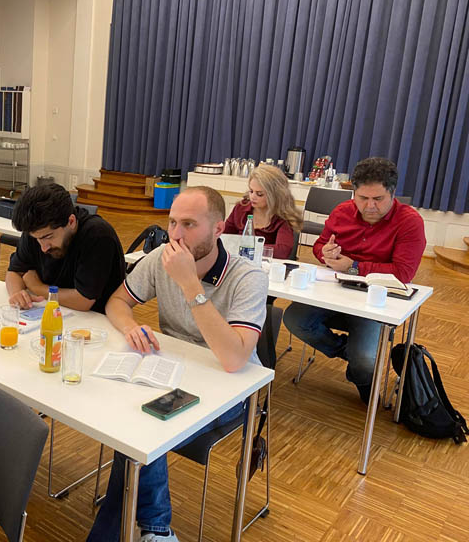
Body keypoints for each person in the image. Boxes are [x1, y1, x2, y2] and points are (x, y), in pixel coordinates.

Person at [87, 186, 269, 542]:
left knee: (141, 430)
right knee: (128, 422)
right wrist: (131, 326)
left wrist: (189, 284)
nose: (176, 234)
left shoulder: (248, 277)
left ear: (218, 229)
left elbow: (233, 359)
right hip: (172, 372)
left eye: (189, 224)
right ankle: (154, 528)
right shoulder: (161, 258)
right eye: (172, 223)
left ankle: (155, 529)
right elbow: (117, 302)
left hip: (230, 390)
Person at [283, 157, 426, 403]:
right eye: (362, 198)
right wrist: (324, 253)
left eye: (378, 199)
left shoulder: (409, 221)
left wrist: (354, 267)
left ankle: (362, 374)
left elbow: (403, 273)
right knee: (294, 319)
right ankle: (351, 355)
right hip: (335, 292)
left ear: (392, 194)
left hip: (375, 302)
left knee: (366, 362)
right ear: (354, 193)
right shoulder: (342, 212)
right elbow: (319, 245)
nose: (370, 206)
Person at [5, 183, 125, 312]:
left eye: (48, 237)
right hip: (52, 310)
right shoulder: (36, 231)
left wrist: (36, 287)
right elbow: (14, 272)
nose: (43, 248)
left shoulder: (98, 235)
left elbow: (83, 301)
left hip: (95, 318)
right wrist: (17, 294)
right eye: (37, 239)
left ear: (71, 222)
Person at [223, 164, 302, 259]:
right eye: (251, 191)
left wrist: (247, 248)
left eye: (259, 194)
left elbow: (282, 251)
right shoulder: (241, 208)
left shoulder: (283, 216)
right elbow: (224, 236)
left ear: (275, 195)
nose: (252, 197)